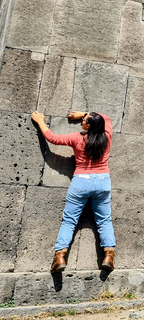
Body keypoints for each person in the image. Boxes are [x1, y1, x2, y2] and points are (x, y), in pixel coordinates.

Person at [30, 110, 116, 273]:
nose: (82, 120)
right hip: (103, 181)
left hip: (81, 181)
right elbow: (107, 117)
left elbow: (52, 138)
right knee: (105, 220)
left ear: (88, 126)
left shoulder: (77, 138)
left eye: (84, 120)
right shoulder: (107, 135)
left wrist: (40, 121)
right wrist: (85, 113)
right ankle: (109, 256)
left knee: (69, 221)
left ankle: (60, 257)